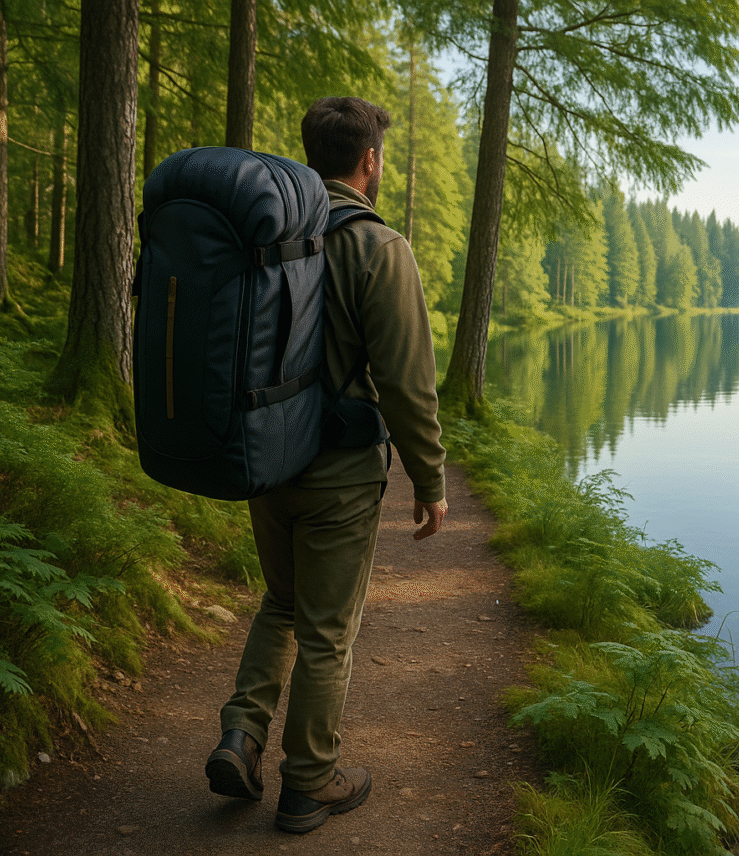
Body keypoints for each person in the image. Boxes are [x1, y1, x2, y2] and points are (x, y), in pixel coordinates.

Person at [204, 96, 448, 835]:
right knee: (327, 630)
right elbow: (407, 383)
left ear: (312, 156)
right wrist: (430, 481)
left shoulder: (272, 236)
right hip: (339, 473)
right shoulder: (378, 247)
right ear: (369, 160)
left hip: (266, 459)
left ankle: (241, 736)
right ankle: (309, 783)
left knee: (282, 602)